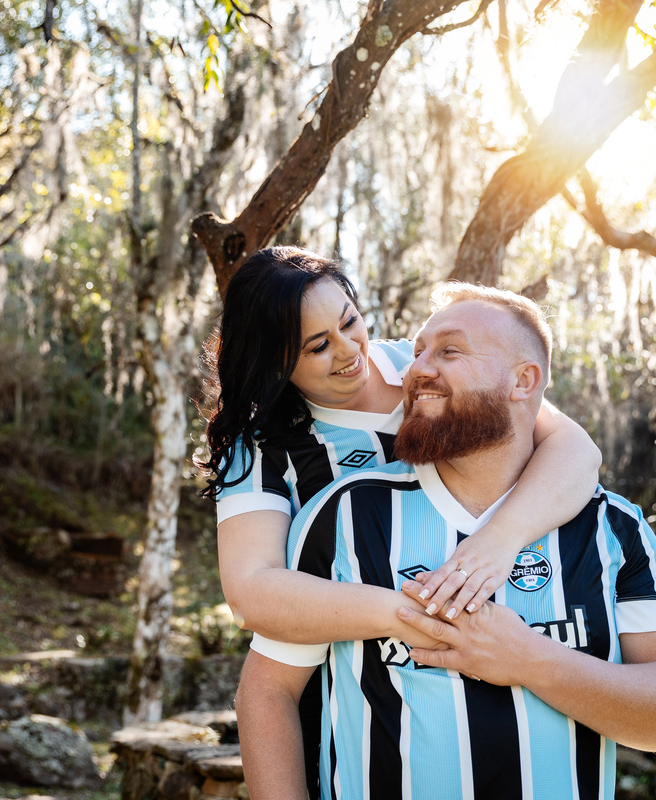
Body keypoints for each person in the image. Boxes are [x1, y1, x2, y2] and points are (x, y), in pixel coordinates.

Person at [235, 282, 656, 800]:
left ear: (523, 381)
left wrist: (529, 659)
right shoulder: (343, 518)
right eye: (418, 350)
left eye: (449, 351)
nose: (416, 367)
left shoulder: (611, 528)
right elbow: (267, 690)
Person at [200, 247, 602, 791]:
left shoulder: (422, 371)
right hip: (352, 679)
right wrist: (422, 614)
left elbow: (575, 451)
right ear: (276, 362)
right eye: (319, 346)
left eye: (349, 322)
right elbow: (253, 593)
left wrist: (500, 542)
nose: (349, 352)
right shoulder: (266, 449)